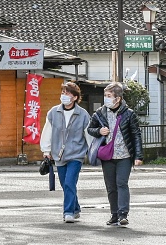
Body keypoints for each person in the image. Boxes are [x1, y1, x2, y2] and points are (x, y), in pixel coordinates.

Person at [88, 81, 143, 228]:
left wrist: (138, 156)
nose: (106, 98)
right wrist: (99, 131)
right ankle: (114, 215)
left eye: (109, 96)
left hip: (124, 156)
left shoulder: (129, 114)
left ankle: (123, 214)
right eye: (105, 95)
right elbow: (90, 128)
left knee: (122, 183)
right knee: (111, 186)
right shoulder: (100, 112)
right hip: (108, 156)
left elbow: (136, 135)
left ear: (118, 98)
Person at [39, 81, 90, 223]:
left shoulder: (83, 114)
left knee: (69, 182)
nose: (64, 96)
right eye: (63, 93)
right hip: (59, 155)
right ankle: (76, 208)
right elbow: (47, 132)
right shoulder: (53, 112)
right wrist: (46, 150)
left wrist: (92, 151)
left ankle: (68, 212)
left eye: (67, 93)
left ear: (74, 97)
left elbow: (88, 134)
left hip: (76, 154)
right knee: (65, 183)